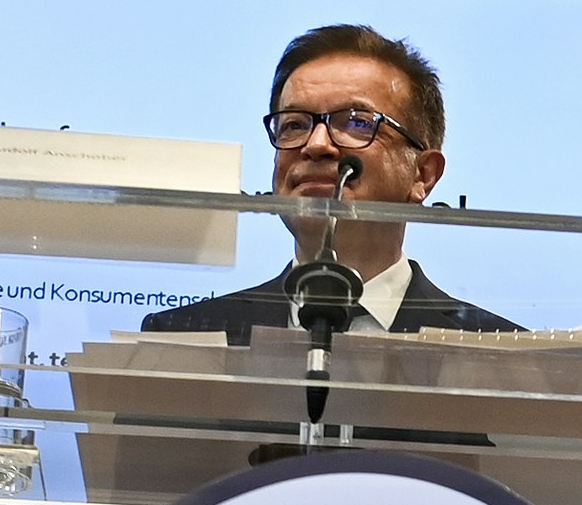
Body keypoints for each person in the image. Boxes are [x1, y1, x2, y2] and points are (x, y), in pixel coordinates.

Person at [143, 24, 522, 341]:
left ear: (422, 174)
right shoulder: (182, 337)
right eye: (294, 124)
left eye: (356, 122)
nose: (317, 145)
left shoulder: (498, 354)